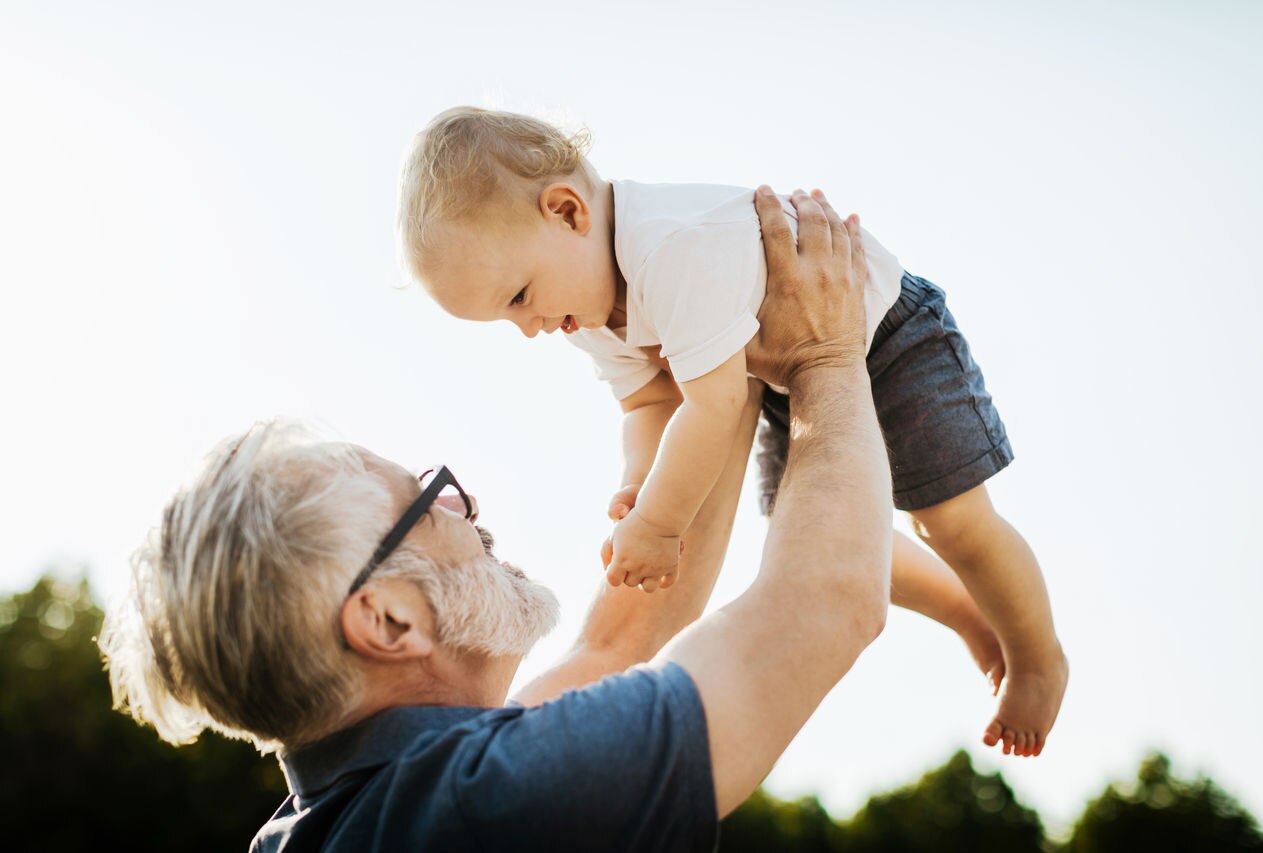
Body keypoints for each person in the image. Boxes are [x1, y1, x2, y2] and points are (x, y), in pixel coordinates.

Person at [100, 190, 893, 851]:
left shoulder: (355, 815)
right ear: (386, 616)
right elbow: (826, 603)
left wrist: (720, 372)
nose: (470, 514)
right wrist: (825, 355)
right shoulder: (482, 807)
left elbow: (616, 645)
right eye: (428, 497)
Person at [395, 106, 1068, 757]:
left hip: (887, 329)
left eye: (518, 297)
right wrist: (640, 483)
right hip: (784, 370)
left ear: (567, 210)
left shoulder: (670, 251)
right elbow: (649, 404)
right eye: (506, 319)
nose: (530, 327)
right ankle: (968, 611)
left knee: (948, 519)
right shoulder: (590, 305)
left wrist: (659, 523)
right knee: (815, 530)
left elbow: (712, 407)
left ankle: (1038, 659)